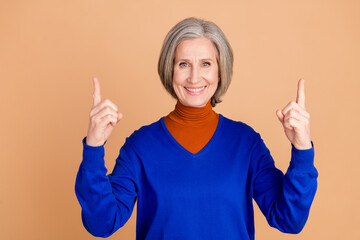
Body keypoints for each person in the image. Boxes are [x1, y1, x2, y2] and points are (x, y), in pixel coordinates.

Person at [75, 17, 318, 240]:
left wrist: (302, 149)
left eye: (205, 64)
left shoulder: (246, 144)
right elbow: (101, 223)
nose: (194, 77)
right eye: (183, 64)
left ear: (220, 70)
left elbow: (288, 219)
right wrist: (94, 148)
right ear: (169, 70)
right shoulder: (140, 146)